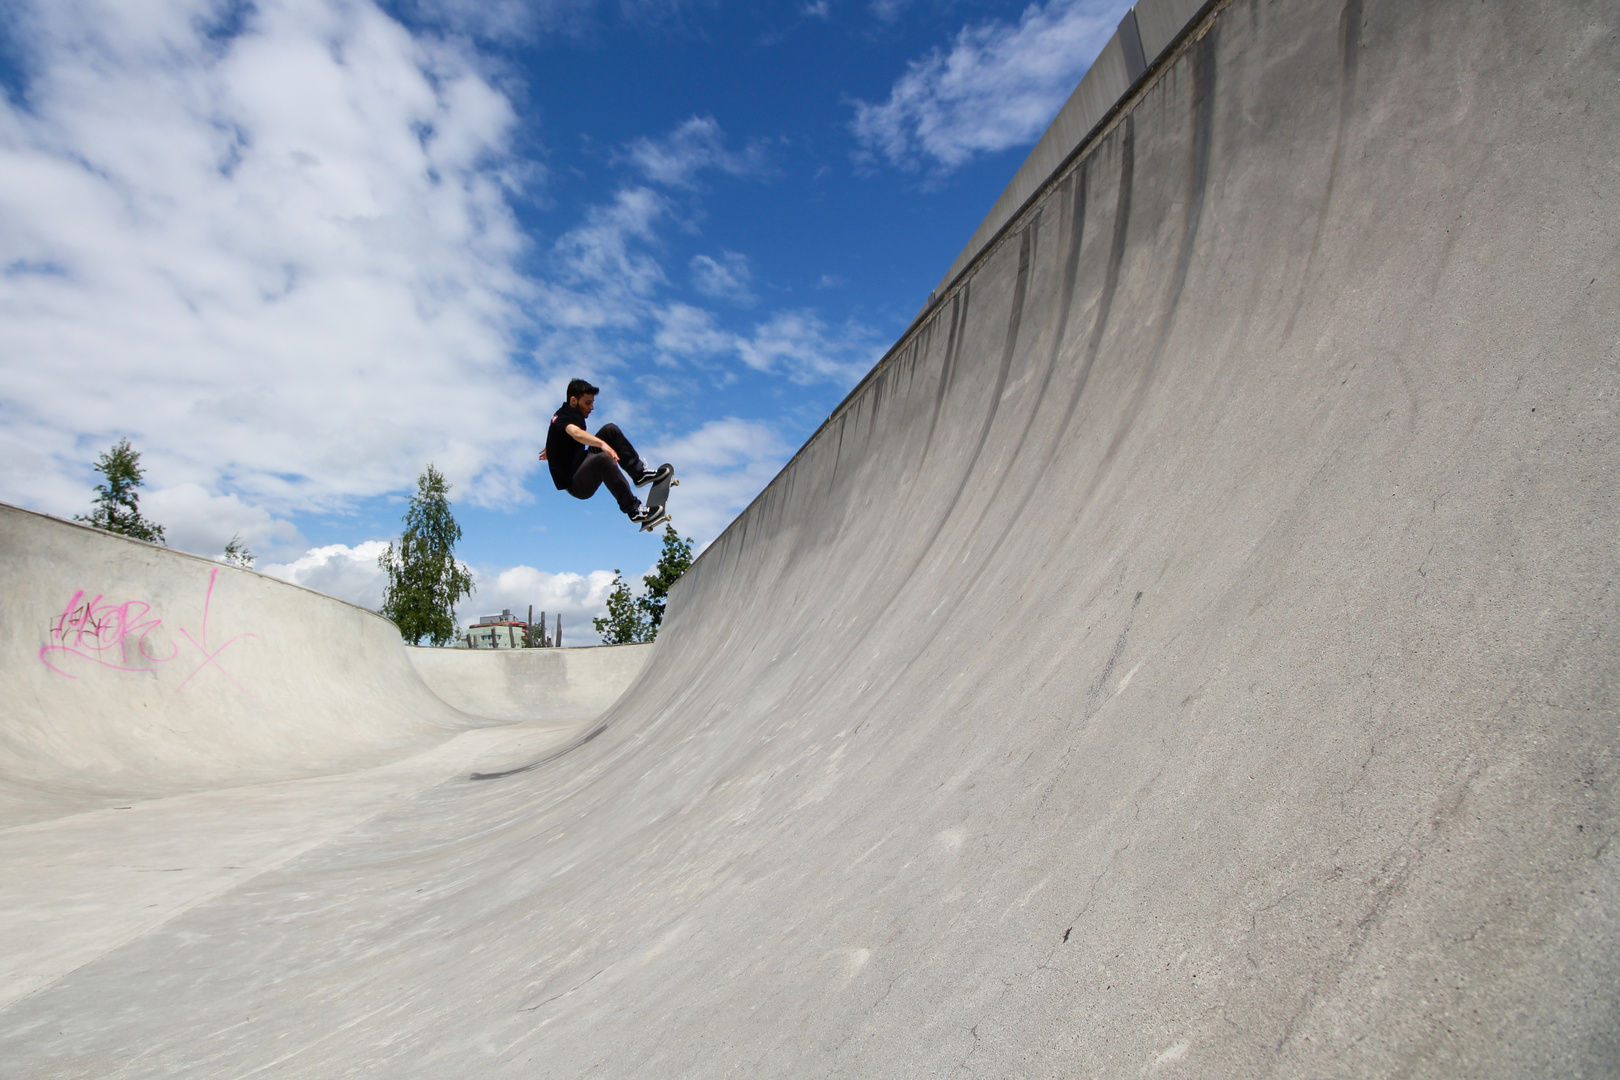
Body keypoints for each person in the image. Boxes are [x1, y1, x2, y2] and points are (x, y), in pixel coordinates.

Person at [540, 379, 672, 526]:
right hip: (577, 483)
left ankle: (639, 474)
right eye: (587, 403)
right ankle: (634, 510)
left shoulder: (568, 413)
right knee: (603, 459)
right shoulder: (564, 417)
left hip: (582, 461)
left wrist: (553, 448)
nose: (592, 407)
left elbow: (558, 433)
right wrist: (602, 444)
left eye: (592, 403)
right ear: (573, 400)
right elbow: (576, 433)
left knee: (610, 430)